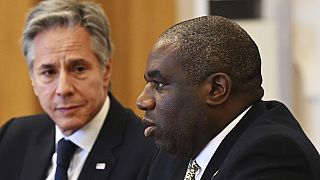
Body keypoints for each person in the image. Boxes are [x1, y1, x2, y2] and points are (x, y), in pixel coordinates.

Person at [136, 15, 320, 180]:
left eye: (159, 84)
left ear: (217, 89)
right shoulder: (177, 149)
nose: (142, 100)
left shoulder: (274, 154)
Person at [0, 0, 155, 180]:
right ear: (33, 79)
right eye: (48, 72)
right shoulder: (12, 139)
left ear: (106, 70)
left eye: (78, 69)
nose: (63, 89)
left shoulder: (149, 151)